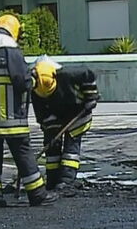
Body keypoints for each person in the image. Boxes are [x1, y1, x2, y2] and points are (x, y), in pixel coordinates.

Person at [0, 14, 57, 208]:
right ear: (14, 31)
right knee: (23, 154)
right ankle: (37, 194)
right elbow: (22, 82)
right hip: (12, 120)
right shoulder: (12, 53)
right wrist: (35, 79)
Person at [31, 59, 99, 191]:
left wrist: (91, 96)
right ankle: (52, 180)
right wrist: (48, 130)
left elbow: (89, 74)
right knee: (52, 147)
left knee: (70, 151)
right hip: (53, 114)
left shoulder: (69, 74)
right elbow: (41, 113)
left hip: (77, 114)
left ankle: (66, 181)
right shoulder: (33, 85)